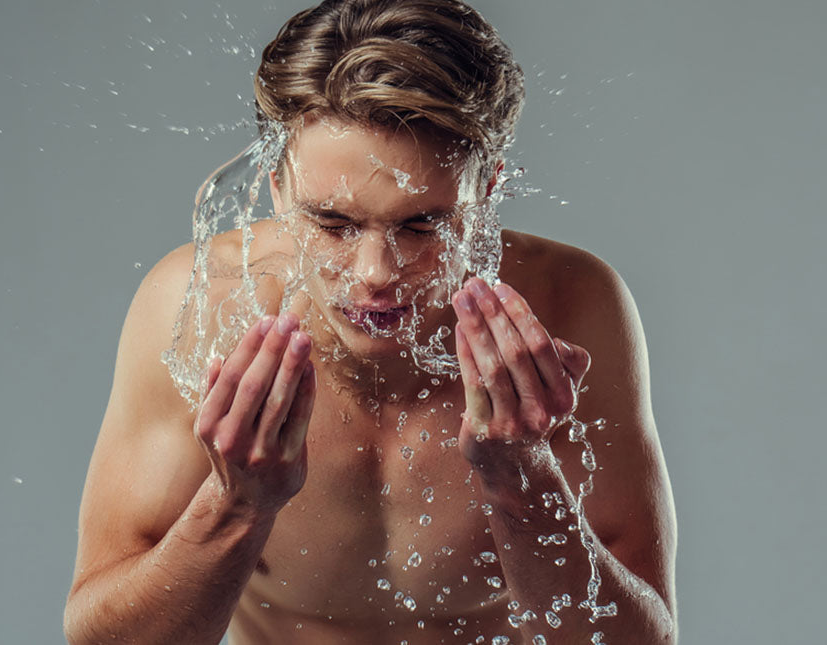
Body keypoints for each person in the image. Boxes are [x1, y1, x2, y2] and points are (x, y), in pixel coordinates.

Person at [62, 1, 677, 643]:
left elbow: (641, 639)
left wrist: (523, 476)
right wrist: (238, 504)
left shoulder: (572, 304)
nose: (375, 272)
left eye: (421, 226)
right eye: (332, 224)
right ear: (276, 188)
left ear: (486, 193)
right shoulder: (199, 308)